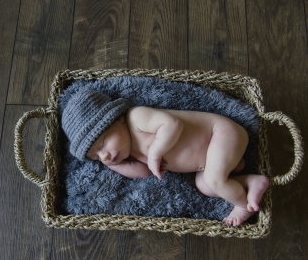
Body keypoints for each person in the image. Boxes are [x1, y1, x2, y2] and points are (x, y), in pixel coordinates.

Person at [61, 89, 269, 227]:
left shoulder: (136, 118)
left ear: (117, 119)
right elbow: (143, 172)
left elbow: (172, 125)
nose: (104, 154)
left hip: (220, 134)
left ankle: (243, 204)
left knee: (215, 179)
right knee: (205, 185)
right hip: (208, 160)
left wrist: (155, 153)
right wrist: (115, 166)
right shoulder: (128, 152)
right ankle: (249, 181)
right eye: (96, 156)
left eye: (103, 143)